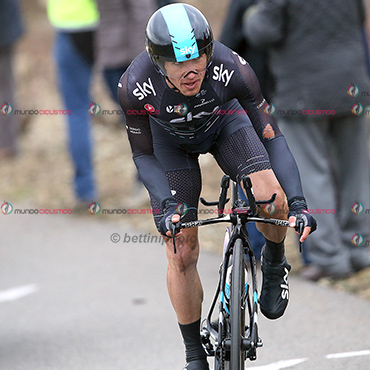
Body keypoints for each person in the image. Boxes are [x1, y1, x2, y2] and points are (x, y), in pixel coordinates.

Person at [118, 4, 317, 369]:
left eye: (198, 58)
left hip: (226, 127)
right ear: (159, 63)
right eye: (178, 63)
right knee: (180, 249)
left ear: (209, 51)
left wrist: (300, 203)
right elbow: (143, 156)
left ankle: (273, 263)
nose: (191, 70)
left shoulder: (232, 67)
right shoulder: (134, 85)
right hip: (170, 146)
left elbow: (271, 136)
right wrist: (166, 206)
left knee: (271, 200)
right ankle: (194, 353)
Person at [244, 0, 370, 281]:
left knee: (311, 173)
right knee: (356, 170)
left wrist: (251, 15)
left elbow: (264, 31)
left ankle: (329, 258)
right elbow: (359, 17)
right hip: (351, 83)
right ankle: (359, 248)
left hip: (303, 90)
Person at [47, 0, 99, 206]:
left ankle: (85, 190)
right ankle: (146, 181)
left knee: (76, 112)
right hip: (106, 26)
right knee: (132, 108)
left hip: (69, 27)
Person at [0, 0, 24, 160]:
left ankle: (6, 144)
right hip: (6, 29)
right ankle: (6, 144)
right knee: (5, 87)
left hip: (5, 29)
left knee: (4, 87)